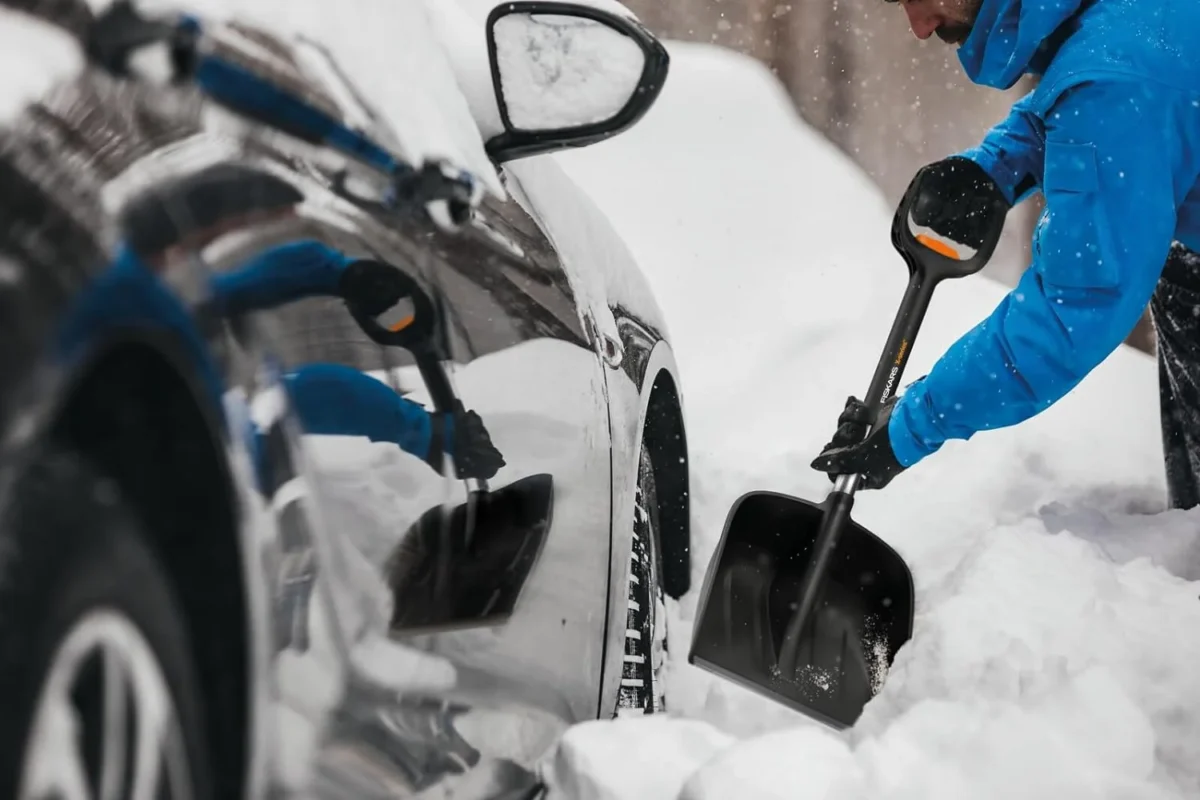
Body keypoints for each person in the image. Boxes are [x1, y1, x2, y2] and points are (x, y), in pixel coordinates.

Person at [809, 0, 1200, 510]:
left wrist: (912, 425)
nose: (920, 28)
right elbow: (1111, 81)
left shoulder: (1113, 81)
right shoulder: (1118, 33)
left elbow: (1073, 313)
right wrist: (993, 169)